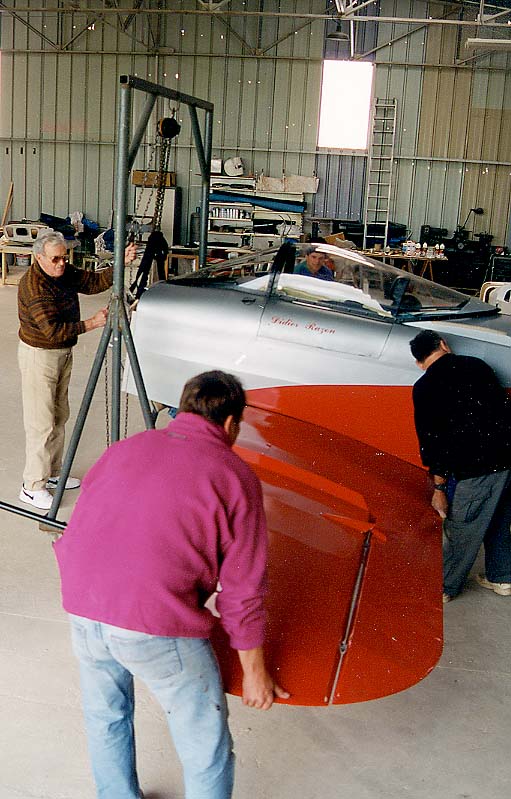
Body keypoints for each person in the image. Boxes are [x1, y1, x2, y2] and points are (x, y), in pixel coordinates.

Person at [54, 370, 289, 799]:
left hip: (83, 606)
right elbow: (243, 590)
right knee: (204, 745)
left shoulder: (126, 448)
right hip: (152, 621)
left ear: (183, 408)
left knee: (106, 715)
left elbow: (86, 520)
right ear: (231, 423)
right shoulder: (234, 475)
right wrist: (255, 673)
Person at [17, 229, 136, 510]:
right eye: (55, 259)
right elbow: (52, 331)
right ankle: (32, 486)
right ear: (38, 258)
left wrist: (121, 262)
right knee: (41, 422)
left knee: (59, 415)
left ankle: (53, 472)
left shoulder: (62, 271)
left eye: (64, 258)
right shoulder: (34, 286)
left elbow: (93, 282)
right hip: (40, 356)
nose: (62, 263)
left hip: (61, 352)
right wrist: (92, 323)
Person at [410, 329, 511, 603]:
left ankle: (445, 587)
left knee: (463, 528)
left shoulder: (424, 387)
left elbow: (432, 442)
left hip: (476, 470)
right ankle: (502, 577)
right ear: (443, 345)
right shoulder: (477, 366)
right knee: (499, 519)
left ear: (419, 362)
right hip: (506, 459)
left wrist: (439, 488)